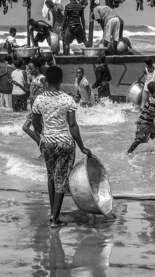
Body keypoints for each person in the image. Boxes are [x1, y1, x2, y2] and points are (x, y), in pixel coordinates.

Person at [31, 66, 92, 228]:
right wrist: (82, 147)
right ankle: (55, 220)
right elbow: (72, 125)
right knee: (61, 180)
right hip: (65, 143)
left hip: (47, 143)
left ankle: (53, 213)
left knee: (51, 176)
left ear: (47, 81)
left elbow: (35, 122)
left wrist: (44, 134)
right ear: (60, 81)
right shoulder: (67, 99)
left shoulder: (39, 100)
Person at [127, 82, 155, 154]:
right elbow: (151, 113)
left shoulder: (153, 99)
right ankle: (129, 152)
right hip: (144, 123)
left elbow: (151, 109)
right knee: (139, 140)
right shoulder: (152, 100)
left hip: (148, 123)